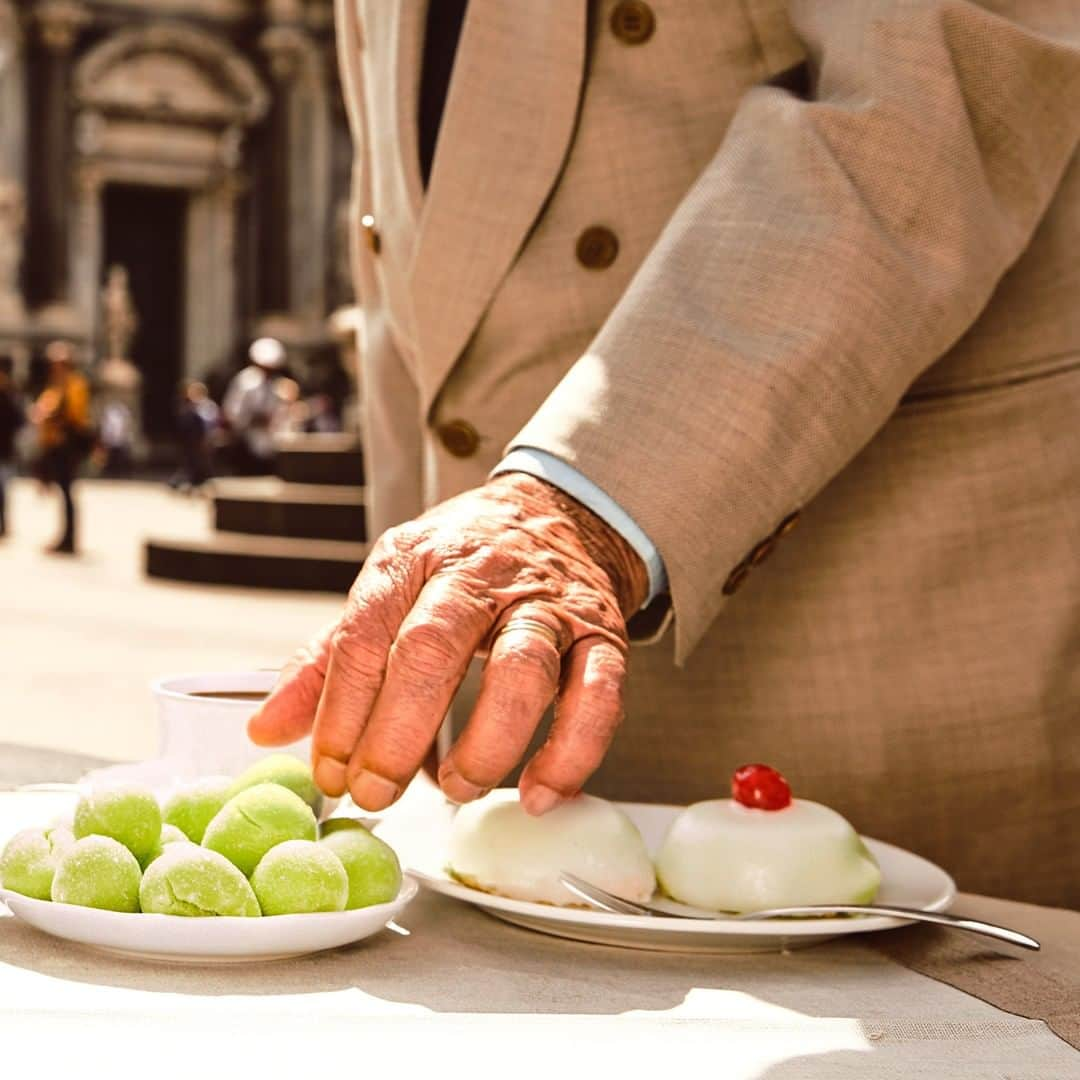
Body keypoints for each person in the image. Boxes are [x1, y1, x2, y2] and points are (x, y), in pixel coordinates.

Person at [250, 2, 1080, 907]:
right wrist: (427, 612)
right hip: (517, 701)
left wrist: (581, 504)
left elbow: (929, 90)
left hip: (887, 627)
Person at [31, 340, 92, 554]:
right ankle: (65, 536)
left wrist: (50, 415)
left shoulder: (74, 384)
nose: (54, 367)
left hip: (67, 446)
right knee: (63, 491)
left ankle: (69, 538)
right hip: (55, 446)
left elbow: (76, 415)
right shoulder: (56, 386)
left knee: (67, 491)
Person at [222, 337, 288, 474]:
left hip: (268, 444)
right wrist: (253, 420)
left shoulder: (275, 384)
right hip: (246, 443)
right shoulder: (246, 382)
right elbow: (232, 413)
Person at [171, 381, 220, 490]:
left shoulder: (208, 407)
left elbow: (210, 425)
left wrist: (207, 440)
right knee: (191, 464)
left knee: (203, 465)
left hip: (203, 440)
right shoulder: (189, 408)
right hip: (191, 441)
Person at [0, 355, 23, 538]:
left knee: (3, 490)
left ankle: (3, 523)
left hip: (5, 450)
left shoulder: (11, 396)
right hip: (6, 450)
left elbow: (19, 421)